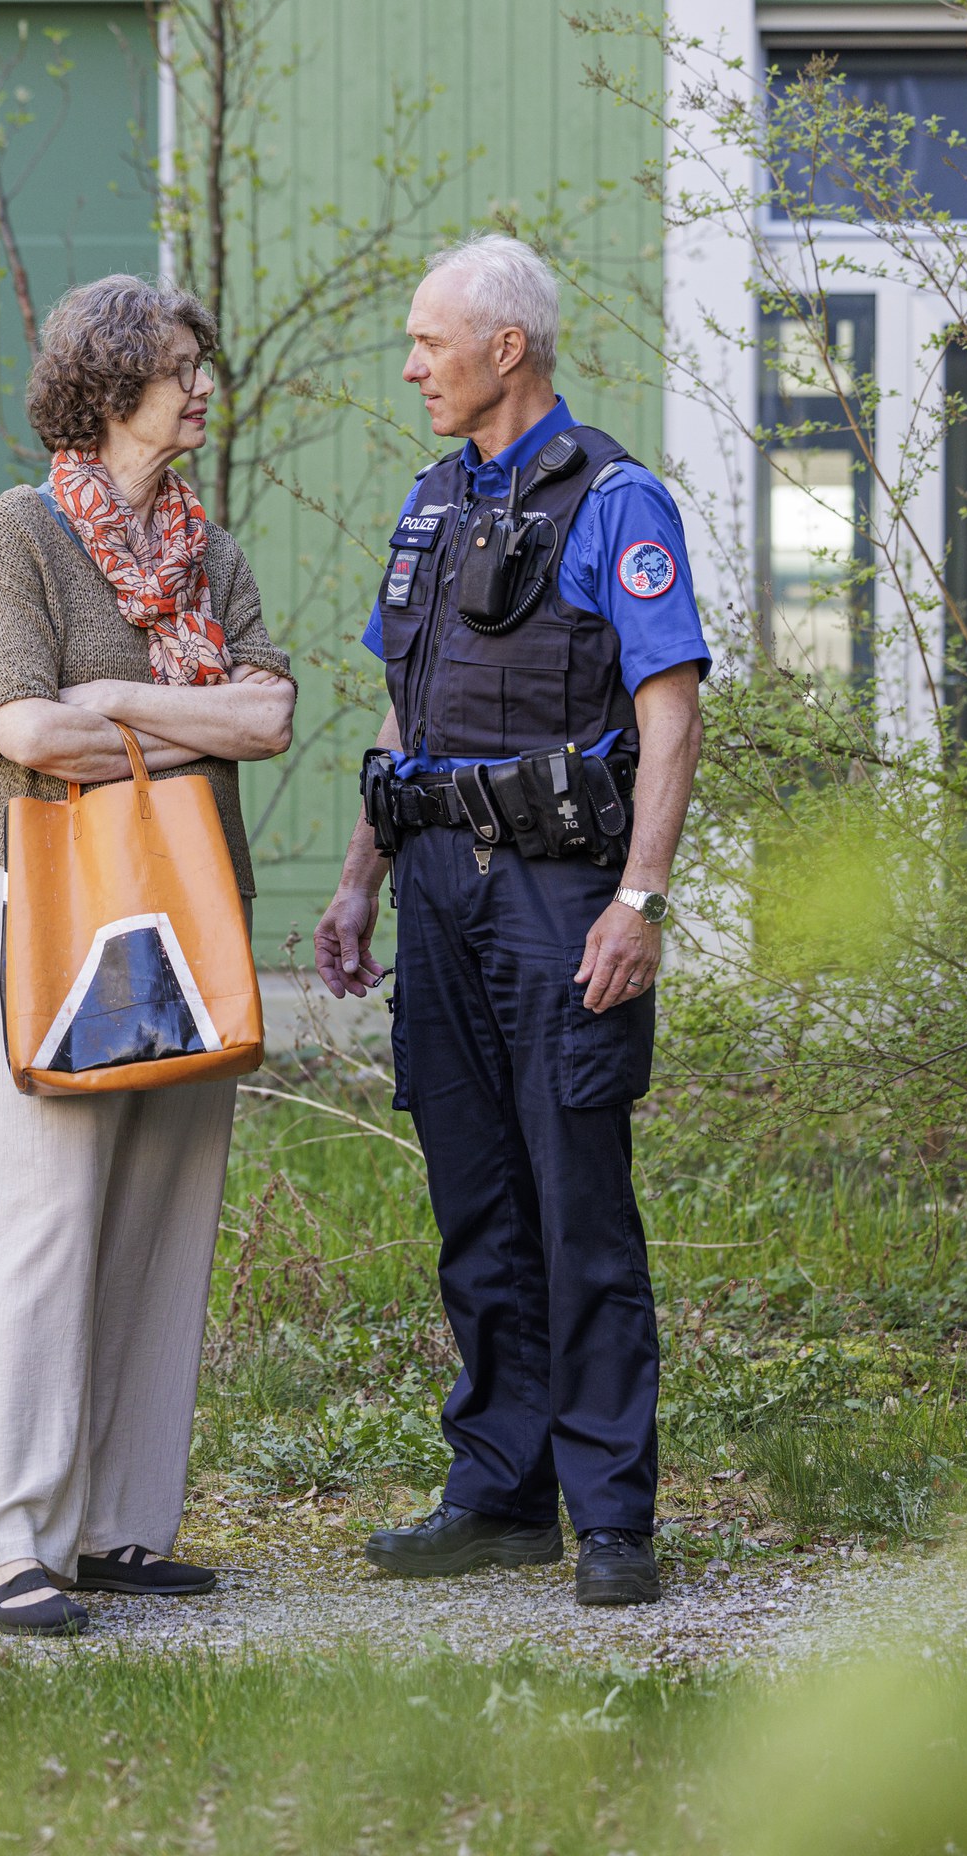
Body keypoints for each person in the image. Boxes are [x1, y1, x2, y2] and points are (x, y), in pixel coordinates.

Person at [311, 234, 708, 1610]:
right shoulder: (430, 506)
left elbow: (670, 715)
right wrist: (360, 876)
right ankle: (498, 1493)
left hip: (559, 899)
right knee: (475, 1201)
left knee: (577, 1203)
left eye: (428, 342)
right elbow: (403, 714)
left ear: (506, 349)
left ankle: (611, 1519)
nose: (410, 367)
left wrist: (640, 900)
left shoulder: (616, 502)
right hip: (437, 894)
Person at [0, 273, 298, 1635]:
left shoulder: (212, 555)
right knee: (45, 1210)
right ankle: (8, 1542)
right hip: (46, 895)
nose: (201, 386)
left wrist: (111, 698)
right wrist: (178, 713)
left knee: (165, 1208)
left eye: (200, 364)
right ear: (108, 388)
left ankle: (116, 1529)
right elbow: (21, 729)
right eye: (177, 367)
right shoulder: (25, 531)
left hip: (186, 902)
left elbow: (269, 718)